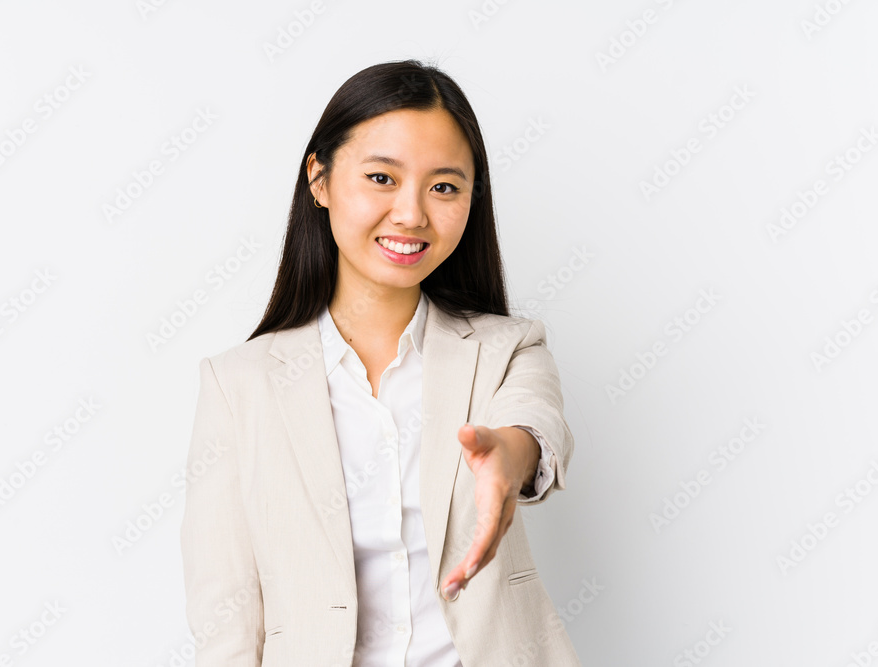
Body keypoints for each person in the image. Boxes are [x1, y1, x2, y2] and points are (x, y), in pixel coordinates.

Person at [180, 59, 580, 666]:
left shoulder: (507, 348)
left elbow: (535, 423)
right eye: (381, 177)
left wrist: (509, 455)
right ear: (319, 179)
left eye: (444, 187)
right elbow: (225, 618)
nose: (412, 214)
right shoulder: (238, 385)